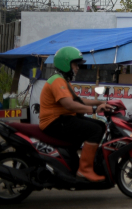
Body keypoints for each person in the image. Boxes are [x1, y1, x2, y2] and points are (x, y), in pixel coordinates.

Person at [39, 46, 112, 182]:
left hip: (61, 120)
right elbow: (69, 104)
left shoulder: (62, 80)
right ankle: (84, 170)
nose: (77, 68)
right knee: (95, 129)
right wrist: (95, 110)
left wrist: (100, 102)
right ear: (66, 63)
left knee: (100, 125)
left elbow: (78, 100)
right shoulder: (57, 81)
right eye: (75, 64)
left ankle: (80, 163)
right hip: (54, 122)